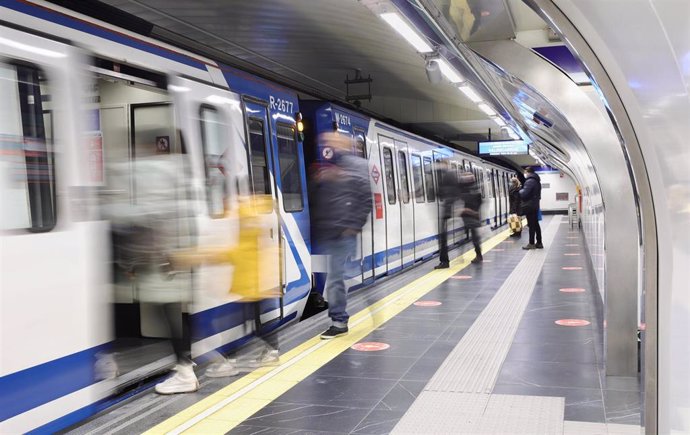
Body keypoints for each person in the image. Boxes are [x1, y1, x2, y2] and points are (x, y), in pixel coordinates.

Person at [310, 131, 372, 339]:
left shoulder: (356, 166)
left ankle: (339, 321)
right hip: (329, 231)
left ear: (344, 143)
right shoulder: (329, 167)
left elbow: (365, 199)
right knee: (337, 276)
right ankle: (342, 314)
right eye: (326, 141)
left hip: (343, 232)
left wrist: (353, 226)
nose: (328, 144)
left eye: (332, 141)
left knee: (336, 277)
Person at [435, 159, 460, 269]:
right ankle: (444, 260)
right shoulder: (451, 175)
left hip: (447, 209)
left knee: (443, 236)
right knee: (443, 236)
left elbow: (444, 192)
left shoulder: (448, 175)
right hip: (448, 208)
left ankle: (444, 261)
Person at [458, 171, 483, 263]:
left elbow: (472, 202)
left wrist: (466, 210)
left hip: (471, 216)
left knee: (474, 237)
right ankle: (476, 255)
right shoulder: (474, 188)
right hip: (470, 216)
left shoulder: (470, 190)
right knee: (472, 236)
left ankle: (478, 255)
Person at [519, 167, 543, 249]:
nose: (525, 174)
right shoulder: (536, 181)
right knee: (536, 224)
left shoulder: (530, 181)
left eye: (525, 172)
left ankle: (531, 243)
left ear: (528, 172)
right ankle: (539, 242)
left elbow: (524, 194)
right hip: (534, 205)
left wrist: (520, 190)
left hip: (530, 206)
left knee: (531, 225)